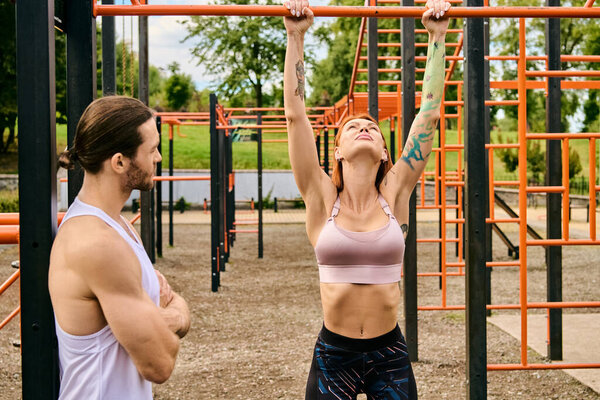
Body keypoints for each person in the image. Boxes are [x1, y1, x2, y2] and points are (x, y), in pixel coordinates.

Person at [283, 1, 451, 398]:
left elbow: (427, 115)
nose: (363, 128)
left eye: (371, 127)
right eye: (352, 126)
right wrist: (295, 36)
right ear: (337, 150)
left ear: (385, 152)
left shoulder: (396, 191)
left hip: (388, 353)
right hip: (333, 353)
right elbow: (295, 115)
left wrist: (437, 37)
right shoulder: (321, 197)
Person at [49, 96, 190, 400]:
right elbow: (159, 363)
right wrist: (175, 316)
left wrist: (161, 318)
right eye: (151, 149)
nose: (159, 158)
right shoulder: (97, 243)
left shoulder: (118, 227)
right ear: (119, 162)